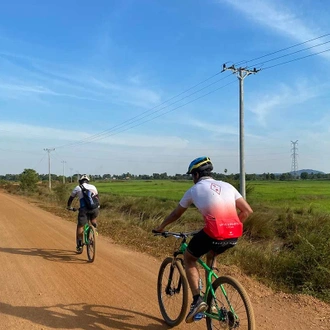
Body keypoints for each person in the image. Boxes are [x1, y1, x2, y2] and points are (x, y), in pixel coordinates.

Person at [153, 156, 253, 323]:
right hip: (234, 233)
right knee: (211, 256)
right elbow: (247, 211)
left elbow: (176, 213)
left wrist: (161, 227)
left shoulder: (194, 190)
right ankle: (211, 300)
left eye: (192, 175)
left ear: (197, 175)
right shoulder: (228, 186)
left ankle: (197, 301)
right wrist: (230, 224)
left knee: (189, 258)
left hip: (214, 233)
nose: (192, 179)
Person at [67, 174, 100, 253]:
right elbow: (97, 198)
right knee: (93, 219)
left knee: (80, 226)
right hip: (94, 208)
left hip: (84, 209)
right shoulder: (93, 187)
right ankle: (94, 231)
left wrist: (69, 206)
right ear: (88, 181)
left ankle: (79, 245)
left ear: (80, 181)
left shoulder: (78, 188)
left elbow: (71, 198)